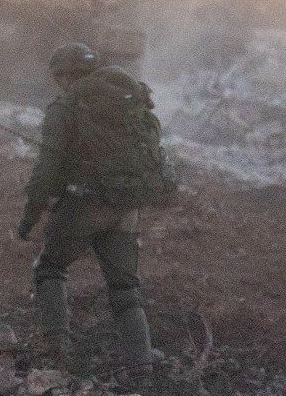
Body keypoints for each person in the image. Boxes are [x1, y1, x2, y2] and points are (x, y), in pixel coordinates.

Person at [18, 42, 174, 376]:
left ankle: (56, 354)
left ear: (64, 76)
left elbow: (48, 167)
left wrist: (32, 212)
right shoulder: (130, 101)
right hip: (127, 206)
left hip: (85, 204)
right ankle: (142, 368)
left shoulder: (67, 107)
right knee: (125, 289)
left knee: (50, 268)